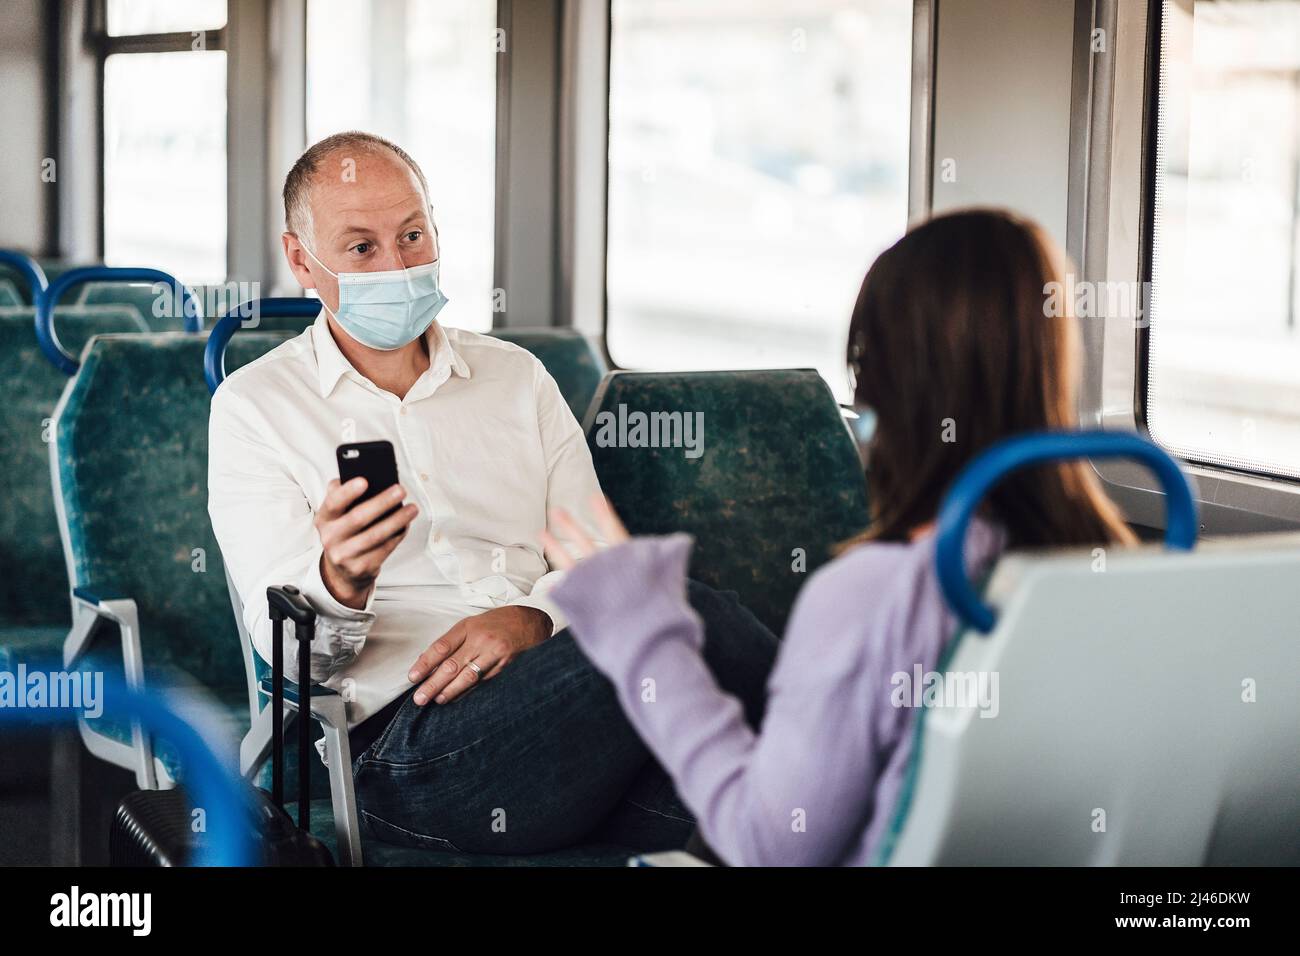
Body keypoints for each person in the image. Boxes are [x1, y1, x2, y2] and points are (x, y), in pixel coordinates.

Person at [208, 131, 778, 855]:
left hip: (568, 729)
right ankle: (891, 750)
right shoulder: (254, 407)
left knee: (757, 785)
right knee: (685, 609)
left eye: (413, 235)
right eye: (362, 248)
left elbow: (603, 565)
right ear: (301, 260)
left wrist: (534, 617)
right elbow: (294, 664)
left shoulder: (516, 378)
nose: (398, 264)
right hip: (409, 752)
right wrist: (340, 580)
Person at [540, 209, 1137, 866]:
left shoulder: (878, 595)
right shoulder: (1121, 575)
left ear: (878, 378)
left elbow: (768, 844)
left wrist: (643, 633)